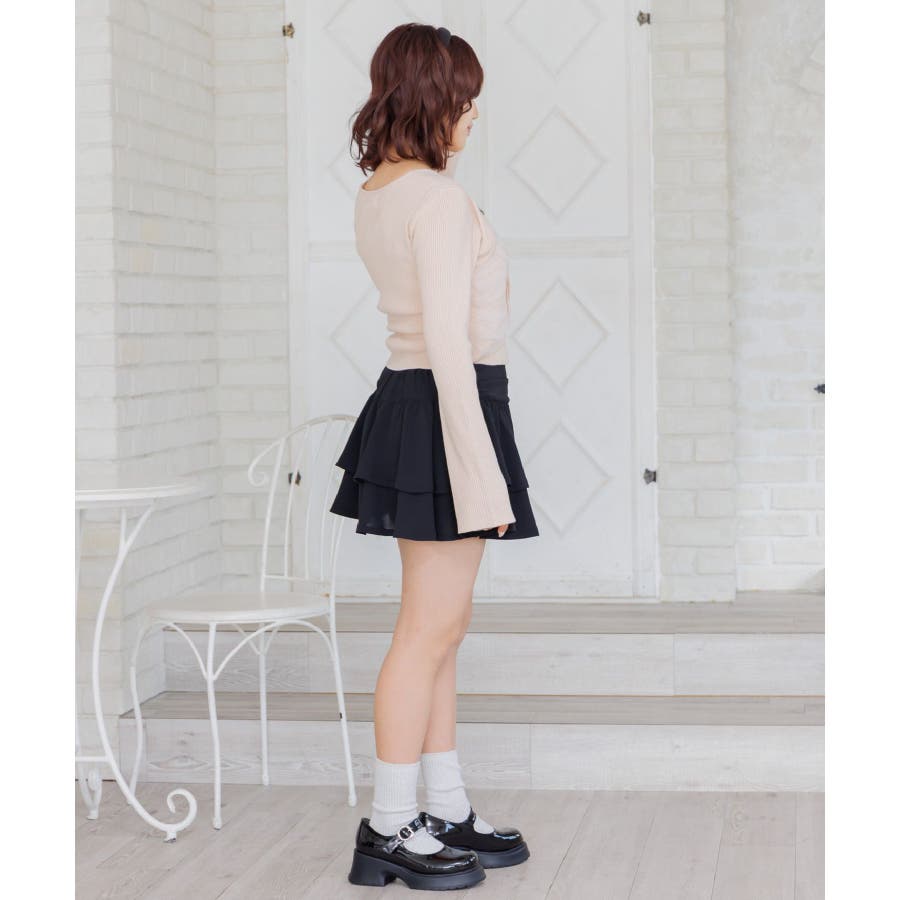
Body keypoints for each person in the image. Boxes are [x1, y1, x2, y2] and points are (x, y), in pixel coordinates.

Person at [329, 22, 539, 891]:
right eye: (464, 97)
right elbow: (451, 345)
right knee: (427, 631)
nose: (473, 114)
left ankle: (443, 804)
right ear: (431, 98)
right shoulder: (439, 199)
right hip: (450, 403)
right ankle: (388, 825)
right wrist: (481, 471)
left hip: (413, 401)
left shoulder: (379, 190)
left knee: (440, 627)